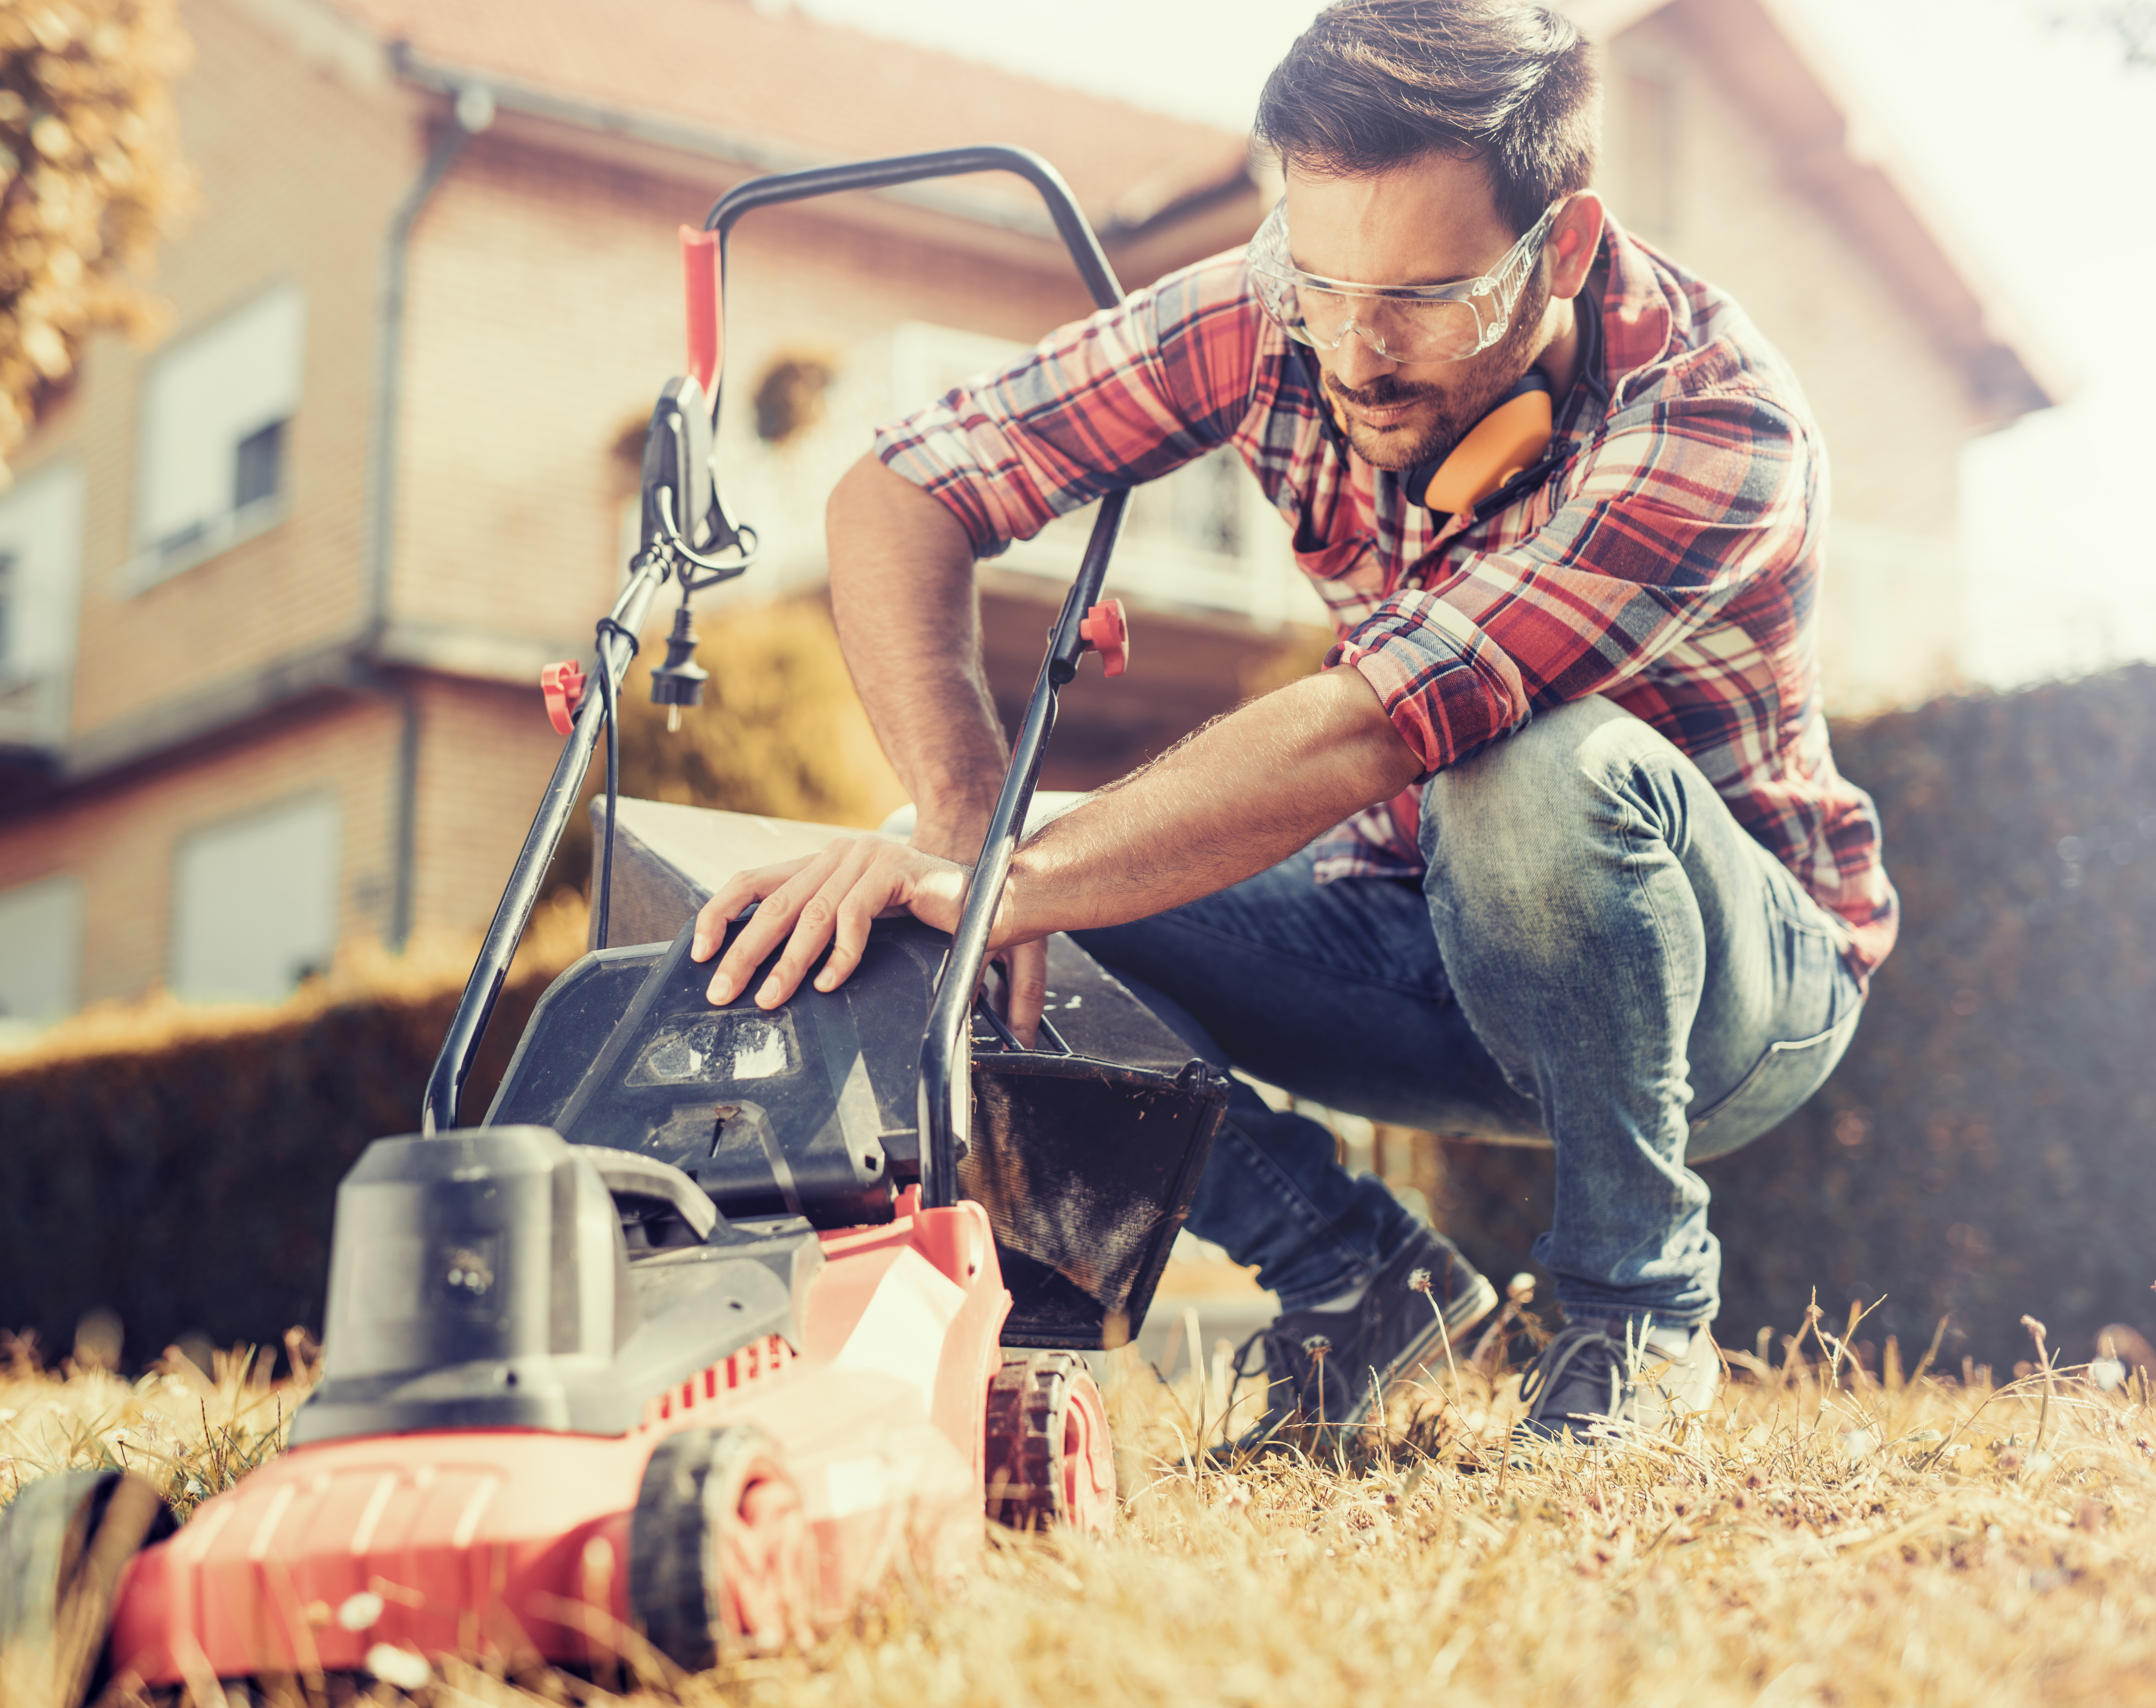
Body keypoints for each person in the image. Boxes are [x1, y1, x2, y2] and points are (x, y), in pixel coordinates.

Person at [687, 0, 1893, 1444]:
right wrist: (961, 833)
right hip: (1404, 936)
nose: (1358, 352)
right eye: (1323, 286)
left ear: (1561, 249)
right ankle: (1353, 1274)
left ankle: (1636, 1316)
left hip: (1734, 1003)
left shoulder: (1716, 420)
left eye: (1424, 299)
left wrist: (999, 879)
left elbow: (1384, 722)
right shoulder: (1278, 308)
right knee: (944, 880)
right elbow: (899, 493)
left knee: (1526, 760)